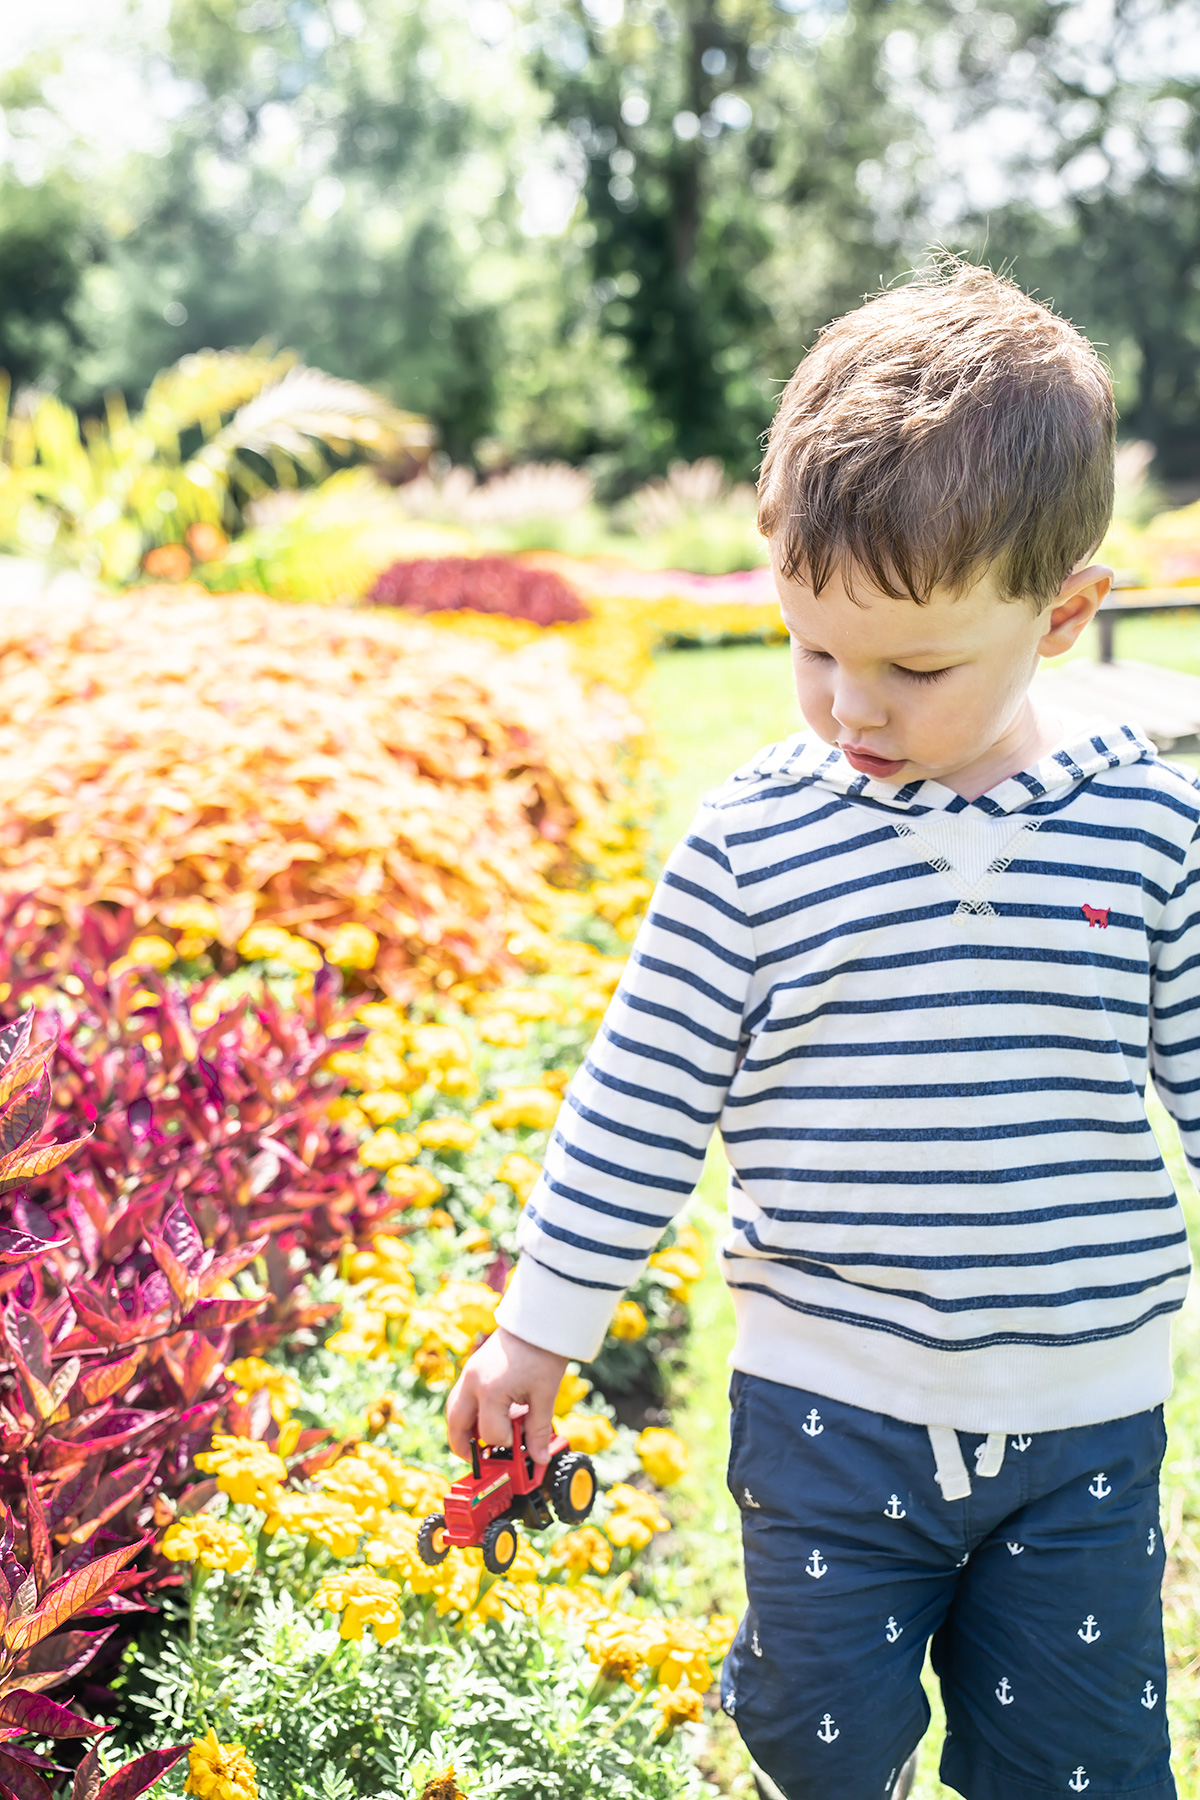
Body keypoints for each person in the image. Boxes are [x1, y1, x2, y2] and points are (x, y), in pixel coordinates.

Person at [447, 260, 1192, 1800]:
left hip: (1083, 1423)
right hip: (827, 1414)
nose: (848, 706)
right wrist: (541, 1327)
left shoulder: (1152, 829)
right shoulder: (753, 842)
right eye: (810, 648)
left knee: (1079, 1765)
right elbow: (640, 1101)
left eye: (914, 666)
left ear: (1063, 615)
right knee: (815, 1740)